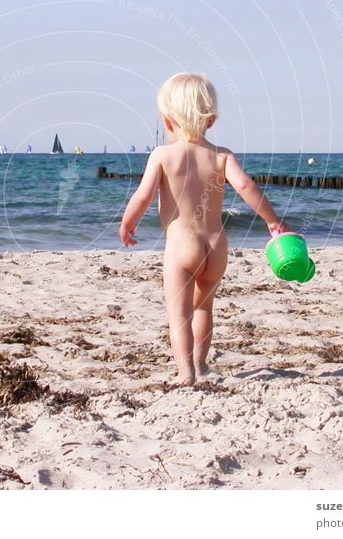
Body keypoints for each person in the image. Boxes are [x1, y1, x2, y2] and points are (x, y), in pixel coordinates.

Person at [119, 72, 287, 386]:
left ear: (167, 122)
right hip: (216, 245)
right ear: (210, 121)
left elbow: (142, 196)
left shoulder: (162, 155)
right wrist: (272, 220)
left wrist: (128, 223)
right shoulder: (222, 156)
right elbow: (246, 186)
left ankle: (186, 372)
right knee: (203, 308)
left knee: (178, 313)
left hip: (181, 246)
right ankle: (201, 364)